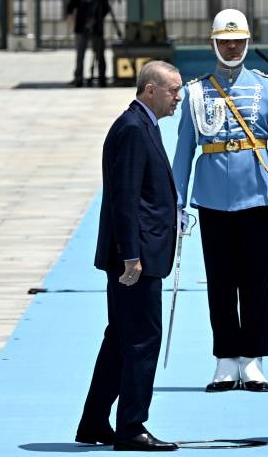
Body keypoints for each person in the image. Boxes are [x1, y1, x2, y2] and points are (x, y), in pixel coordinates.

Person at [172, 8, 268, 393]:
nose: (231, 47)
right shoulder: (197, 91)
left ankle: (253, 358)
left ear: (247, 43)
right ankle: (225, 358)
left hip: (257, 194)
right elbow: (183, 151)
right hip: (211, 198)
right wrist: (177, 201)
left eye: (238, 41)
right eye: (225, 41)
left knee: (256, 281)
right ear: (213, 43)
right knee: (220, 282)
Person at [77, 60, 182, 452]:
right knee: (141, 339)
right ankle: (132, 426)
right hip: (135, 260)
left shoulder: (141, 125)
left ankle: (94, 421)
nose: (178, 97)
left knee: (120, 339)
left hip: (138, 253)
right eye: (173, 90)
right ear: (150, 90)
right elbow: (124, 199)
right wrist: (132, 257)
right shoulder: (134, 129)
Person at [65, 0, 111, 87]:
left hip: (97, 26)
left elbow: (106, 8)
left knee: (100, 54)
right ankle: (78, 78)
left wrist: (97, 17)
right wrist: (70, 16)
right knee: (80, 54)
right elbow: (71, 5)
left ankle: (102, 77)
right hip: (81, 26)